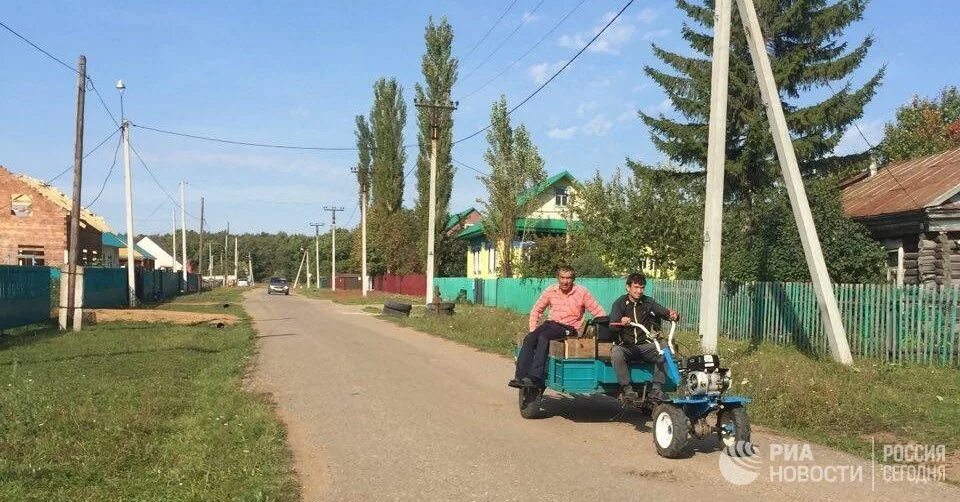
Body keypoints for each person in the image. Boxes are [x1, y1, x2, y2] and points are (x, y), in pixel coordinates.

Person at [509, 265, 607, 389]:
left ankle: (535, 377)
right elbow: (537, 309)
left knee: (544, 337)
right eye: (562, 277)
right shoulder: (551, 290)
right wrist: (533, 329)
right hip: (550, 324)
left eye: (569, 278)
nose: (565, 281)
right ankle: (520, 377)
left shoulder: (581, 292)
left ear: (573, 279)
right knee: (530, 338)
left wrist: (604, 325)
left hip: (569, 328)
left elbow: (597, 310)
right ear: (557, 278)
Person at [609, 272, 678, 401]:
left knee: (664, 348)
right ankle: (627, 390)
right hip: (626, 347)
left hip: (645, 345)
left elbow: (664, 312)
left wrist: (673, 315)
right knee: (616, 352)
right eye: (636, 287)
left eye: (642, 288)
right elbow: (612, 325)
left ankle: (656, 390)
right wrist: (622, 322)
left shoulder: (648, 302)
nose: (639, 291)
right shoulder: (619, 303)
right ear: (628, 287)